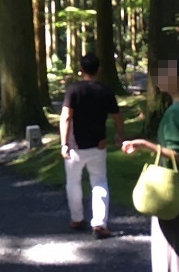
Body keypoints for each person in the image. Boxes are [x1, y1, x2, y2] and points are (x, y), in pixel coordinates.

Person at [121, 59, 179, 271]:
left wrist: (145, 145)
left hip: (178, 196)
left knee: (175, 256)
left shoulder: (175, 114)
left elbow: (177, 155)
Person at [60, 53, 125, 240]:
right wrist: (120, 135)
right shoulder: (106, 91)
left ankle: (76, 218)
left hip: (74, 146)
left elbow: (66, 117)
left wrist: (64, 143)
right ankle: (99, 223)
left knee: (73, 182)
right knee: (99, 182)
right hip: (98, 145)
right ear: (99, 70)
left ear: (81, 70)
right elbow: (118, 117)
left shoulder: (73, 90)